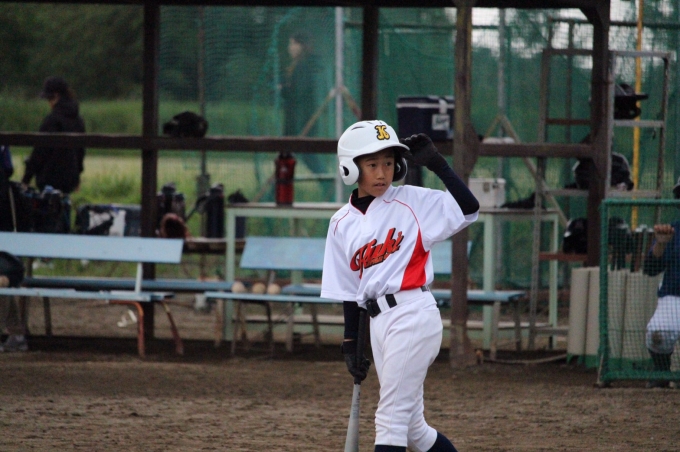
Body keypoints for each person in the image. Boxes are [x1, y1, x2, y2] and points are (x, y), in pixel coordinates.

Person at [321, 120, 479, 451]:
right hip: (379, 322)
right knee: (413, 430)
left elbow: (469, 208)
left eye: (389, 163)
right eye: (372, 164)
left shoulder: (412, 201)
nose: (383, 173)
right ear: (351, 168)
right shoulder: (340, 223)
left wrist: (438, 165)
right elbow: (350, 291)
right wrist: (351, 343)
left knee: (390, 419)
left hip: (412, 314)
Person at [642, 177, 680, 389]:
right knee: (658, 333)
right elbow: (650, 269)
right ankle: (662, 371)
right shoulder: (673, 230)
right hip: (674, 296)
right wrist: (661, 244)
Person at [22, 76, 86, 195]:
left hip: (50, 178)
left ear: (55, 97)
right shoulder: (78, 120)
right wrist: (77, 175)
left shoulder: (52, 120)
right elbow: (80, 151)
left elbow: (39, 152)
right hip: (70, 179)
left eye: (48, 99)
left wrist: (26, 178)